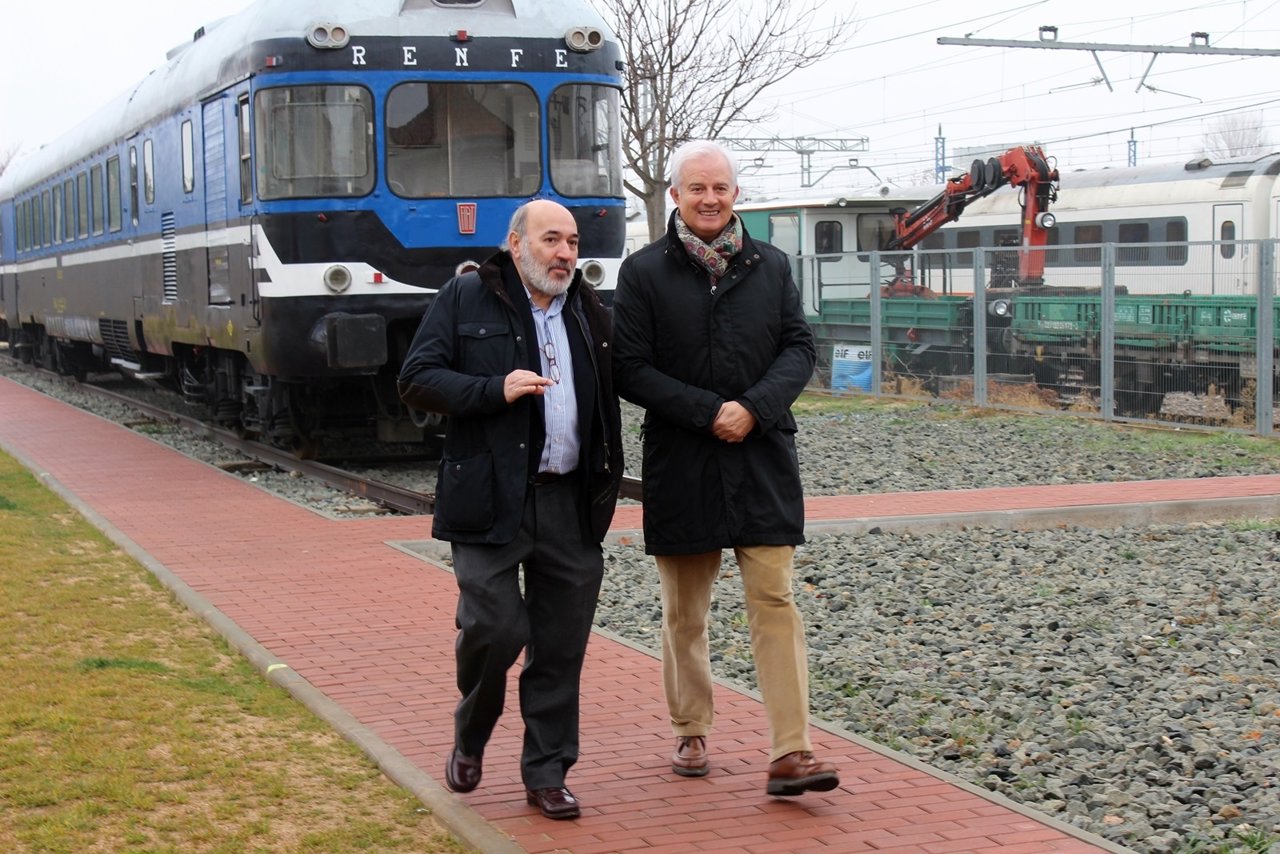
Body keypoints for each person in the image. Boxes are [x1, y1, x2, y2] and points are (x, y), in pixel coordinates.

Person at [611, 140, 838, 797]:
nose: (709, 199)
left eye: (721, 188)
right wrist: (710, 411)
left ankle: (791, 751)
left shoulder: (771, 266)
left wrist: (755, 409)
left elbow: (799, 346)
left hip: (761, 457)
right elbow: (629, 367)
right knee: (686, 611)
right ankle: (690, 727)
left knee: (775, 600)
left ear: (736, 194)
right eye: (696, 188)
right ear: (676, 195)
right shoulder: (644, 272)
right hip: (683, 461)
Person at [397, 199, 623, 820]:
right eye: (552, 240)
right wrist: (493, 390)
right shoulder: (467, 297)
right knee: (495, 627)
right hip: (490, 497)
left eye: (573, 242)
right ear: (516, 243)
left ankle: (547, 773)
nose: (566, 254)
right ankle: (472, 732)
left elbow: (627, 379)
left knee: (559, 645)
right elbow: (416, 379)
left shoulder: (589, 309)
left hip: (569, 500)